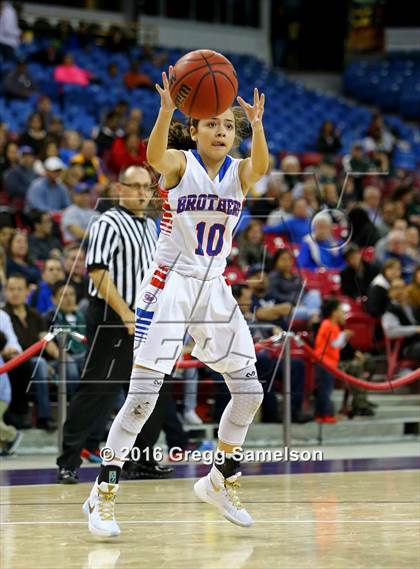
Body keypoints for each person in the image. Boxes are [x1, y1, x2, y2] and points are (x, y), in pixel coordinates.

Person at [82, 70, 269, 537]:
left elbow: (260, 168)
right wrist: (167, 110)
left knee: (249, 392)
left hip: (214, 287)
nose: (222, 131)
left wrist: (257, 124)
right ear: (194, 129)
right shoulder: (180, 165)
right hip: (170, 285)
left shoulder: (239, 171)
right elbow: (152, 155)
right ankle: (101, 493)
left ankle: (218, 480)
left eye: (228, 125)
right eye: (212, 124)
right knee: (142, 399)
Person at [56, 166, 172, 485]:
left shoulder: (151, 226)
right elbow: (97, 272)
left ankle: (142, 460)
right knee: (97, 391)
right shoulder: (107, 222)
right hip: (112, 315)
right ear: (119, 188)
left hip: (144, 319)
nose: (140, 192)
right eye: (133, 186)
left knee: (151, 391)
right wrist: (125, 313)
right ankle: (68, 461)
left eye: (145, 187)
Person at [313, 298, 354, 423]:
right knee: (325, 390)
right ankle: (325, 414)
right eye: (341, 311)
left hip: (329, 363)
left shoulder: (332, 325)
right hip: (325, 363)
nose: (343, 314)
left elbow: (338, 345)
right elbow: (335, 344)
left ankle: (322, 414)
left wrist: (344, 337)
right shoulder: (328, 325)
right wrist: (344, 335)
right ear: (334, 312)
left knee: (325, 389)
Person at [382, 278, 420, 364]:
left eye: (402, 287)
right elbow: (391, 332)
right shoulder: (390, 310)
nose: (400, 291)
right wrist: (415, 329)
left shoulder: (411, 306)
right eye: (396, 288)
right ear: (390, 292)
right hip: (406, 347)